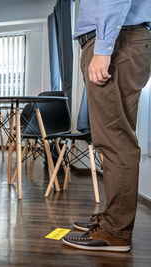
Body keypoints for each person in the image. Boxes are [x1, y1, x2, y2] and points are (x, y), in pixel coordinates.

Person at [62, 0, 151, 252]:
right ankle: (114, 219)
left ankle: (115, 232)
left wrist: (103, 49)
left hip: (116, 41)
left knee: (114, 141)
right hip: (122, 38)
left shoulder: (109, 45)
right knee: (116, 138)